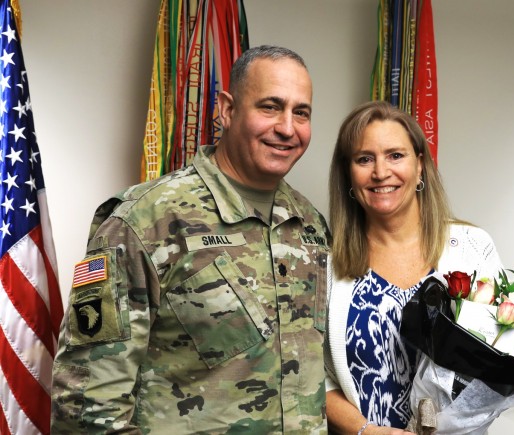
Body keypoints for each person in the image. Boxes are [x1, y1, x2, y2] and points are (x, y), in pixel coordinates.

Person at [51, 45, 330, 434]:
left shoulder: (310, 225)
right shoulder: (144, 221)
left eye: (301, 112)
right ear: (227, 110)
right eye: (270, 106)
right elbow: (86, 406)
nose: (287, 127)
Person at [324, 101, 503, 434]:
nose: (380, 172)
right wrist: (366, 432)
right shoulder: (326, 266)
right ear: (348, 171)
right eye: (364, 158)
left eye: (395, 155)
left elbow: (501, 360)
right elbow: (310, 376)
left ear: (420, 165)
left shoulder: (472, 248)